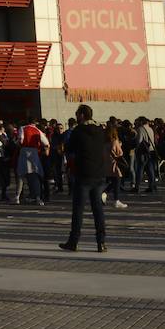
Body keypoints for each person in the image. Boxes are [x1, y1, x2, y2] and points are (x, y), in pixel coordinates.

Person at [60, 104, 109, 253]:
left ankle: (73, 241)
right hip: (99, 174)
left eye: (77, 113)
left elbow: (69, 148)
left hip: (84, 174)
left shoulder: (78, 130)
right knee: (98, 210)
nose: (75, 116)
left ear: (82, 115)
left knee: (78, 209)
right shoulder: (101, 130)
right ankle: (101, 243)